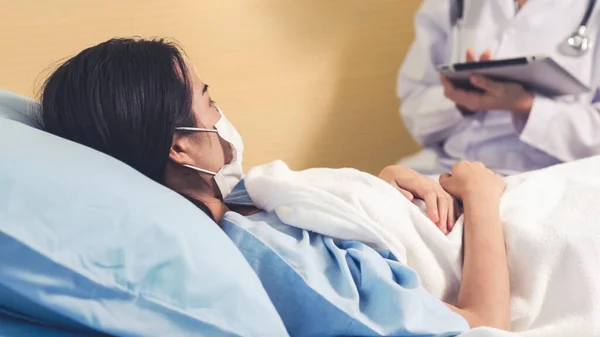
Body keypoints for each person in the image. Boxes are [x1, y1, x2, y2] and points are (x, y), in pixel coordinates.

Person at [40, 38, 510, 335]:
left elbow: (331, 212)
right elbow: (482, 324)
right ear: (180, 147)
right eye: (209, 101)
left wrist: (382, 189)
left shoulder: (238, 198)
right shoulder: (277, 263)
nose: (220, 116)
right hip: (498, 223)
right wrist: (482, 196)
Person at [398, 0, 600, 175]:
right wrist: (463, 103)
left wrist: (528, 106)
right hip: (447, 168)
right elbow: (413, 107)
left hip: (547, 178)